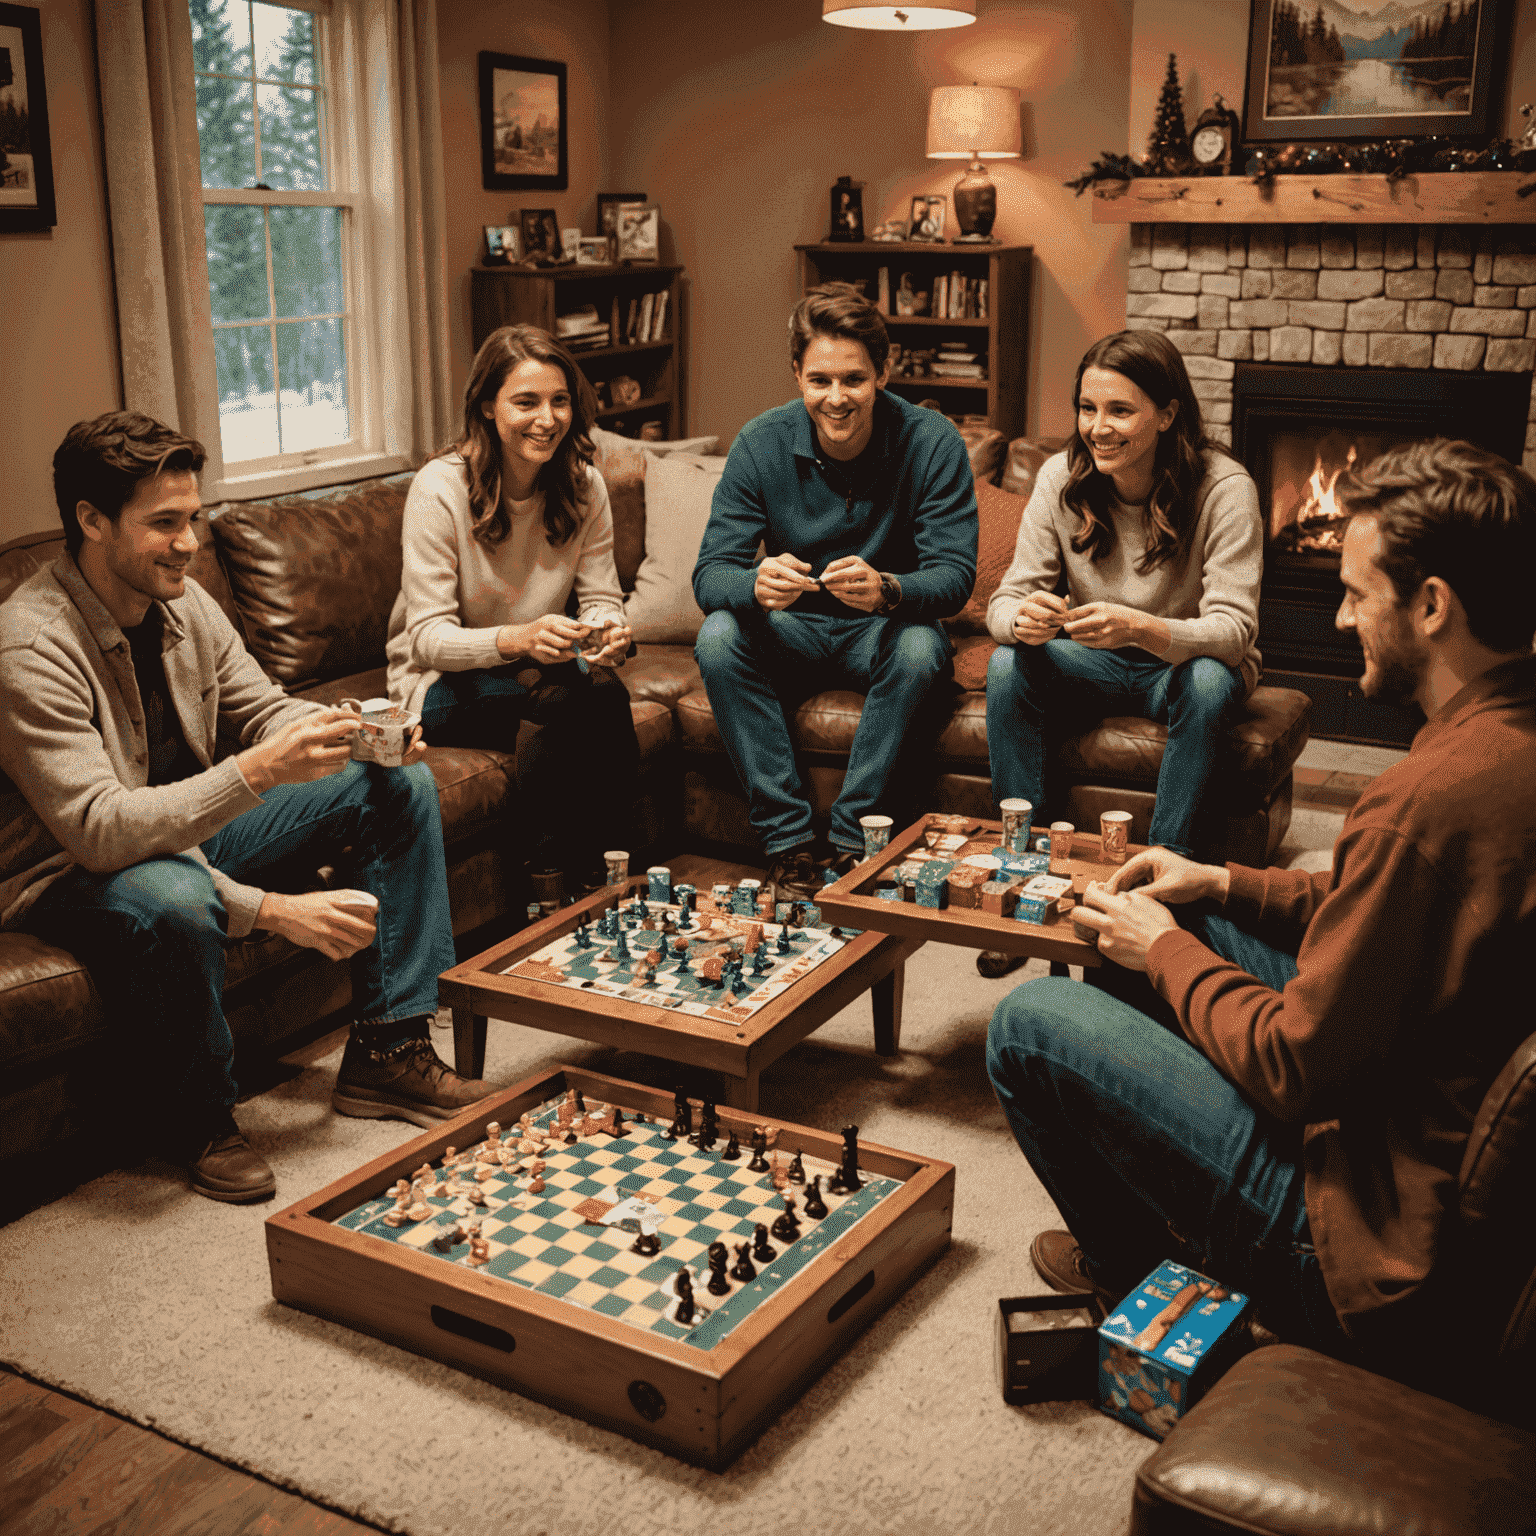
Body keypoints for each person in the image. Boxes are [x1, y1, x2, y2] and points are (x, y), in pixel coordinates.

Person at [985, 438, 1536, 1394]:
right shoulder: (1503, 750)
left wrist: (1162, 954)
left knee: (1032, 1024)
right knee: (1167, 915)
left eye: (1359, 593)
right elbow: (1385, 908)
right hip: (1410, 1115)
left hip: (1363, 1241)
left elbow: (1295, 1069)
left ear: (1434, 605)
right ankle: (1173, 1207)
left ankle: (1142, 1280)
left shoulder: (1427, 799)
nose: (1340, 615)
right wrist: (1219, 884)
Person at [0, 413, 493, 1204]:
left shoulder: (183, 603)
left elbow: (260, 710)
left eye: (191, 517)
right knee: (177, 897)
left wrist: (355, 732)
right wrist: (271, 904)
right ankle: (200, 1119)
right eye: (163, 523)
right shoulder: (30, 645)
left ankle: (389, 1049)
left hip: (182, 829)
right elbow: (102, 830)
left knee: (397, 782)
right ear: (91, 521)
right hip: (70, 870)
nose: (188, 542)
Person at [979, 330, 1261, 977]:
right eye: (1087, 409)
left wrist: (1145, 628)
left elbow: (1235, 628)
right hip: (1094, 662)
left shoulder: (1224, 487)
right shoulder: (1060, 478)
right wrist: (1022, 619)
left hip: (1180, 671)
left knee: (1214, 681)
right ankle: (1021, 873)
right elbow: (1004, 603)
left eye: (1119, 411)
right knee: (1006, 664)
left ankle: (1154, 892)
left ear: (1167, 414)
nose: (1097, 428)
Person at [691, 282, 977, 900]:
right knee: (718, 636)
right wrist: (754, 583)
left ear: (884, 372)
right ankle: (789, 847)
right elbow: (710, 577)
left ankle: (854, 846)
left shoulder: (931, 441)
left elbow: (955, 577)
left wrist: (888, 589)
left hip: (882, 630)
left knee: (922, 649)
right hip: (790, 630)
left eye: (854, 379)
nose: (837, 398)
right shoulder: (760, 442)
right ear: (796, 374)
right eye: (820, 380)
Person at [386, 323, 637, 894]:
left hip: (538, 670)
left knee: (601, 688)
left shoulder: (584, 487)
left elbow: (601, 597)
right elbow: (428, 639)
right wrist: (518, 639)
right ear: (487, 406)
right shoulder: (438, 489)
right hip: (436, 685)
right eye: (525, 402)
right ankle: (567, 883)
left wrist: (607, 631)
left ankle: (596, 879)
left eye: (559, 401)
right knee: (565, 699)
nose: (546, 419)